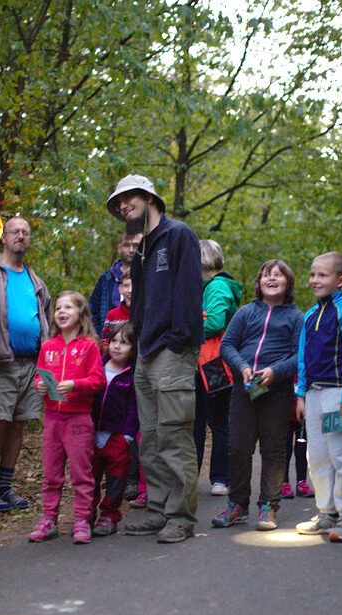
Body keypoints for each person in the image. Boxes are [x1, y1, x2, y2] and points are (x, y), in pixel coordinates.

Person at [106, 175, 203, 544]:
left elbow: (189, 292)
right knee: (150, 438)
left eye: (128, 198)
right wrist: (138, 341)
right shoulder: (143, 247)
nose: (122, 206)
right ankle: (160, 510)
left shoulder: (178, 235)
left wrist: (177, 342)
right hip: (146, 352)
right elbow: (143, 302)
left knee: (175, 434)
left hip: (173, 350)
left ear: (149, 197)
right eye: (118, 203)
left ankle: (181, 516)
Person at [212, 260, 302, 531]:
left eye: (278, 275)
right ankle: (237, 505)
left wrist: (276, 371)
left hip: (277, 391)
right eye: (266, 275)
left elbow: (300, 355)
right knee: (238, 447)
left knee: (273, 449)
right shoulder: (246, 312)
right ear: (259, 283)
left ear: (288, 284)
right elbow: (227, 344)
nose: (271, 278)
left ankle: (269, 506)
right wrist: (241, 367)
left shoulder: (296, 317)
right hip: (243, 390)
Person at [0, 217, 51, 513]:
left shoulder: (35, 280)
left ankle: (6, 486)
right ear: (3, 238)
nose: (21, 236)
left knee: (19, 422)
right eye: (15, 232)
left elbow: (45, 315)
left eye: (25, 232)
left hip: (31, 363)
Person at [294, 252, 342, 542]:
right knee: (318, 456)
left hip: (338, 394)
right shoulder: (309, 316)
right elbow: (302, 357)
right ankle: (327, 512)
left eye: (322, 275)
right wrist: (300, 393)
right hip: (313, 393)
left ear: (340, 281)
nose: (314, 280)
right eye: (312, 274)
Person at [29, 291, 105, 544]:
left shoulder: (89, 346)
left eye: (68, 308)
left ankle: (83, 519)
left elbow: (98, 379)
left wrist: (75, 384)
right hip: (52, 419)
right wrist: (40, 385)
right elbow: (40, 375)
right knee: (51, 474)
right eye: (58, 308)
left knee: (81, 474)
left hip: (78, 419)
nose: (61, 312)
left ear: (81, 313)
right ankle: (49, 519)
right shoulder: (48, 346)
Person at [194, 239, 242, 496]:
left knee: (218, 423)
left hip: (215, 365)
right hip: (202, 364)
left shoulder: (218, 286)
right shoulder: (206, 287)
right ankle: (195, 477)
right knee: (197, 422)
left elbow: (214, 323)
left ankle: (221, 478)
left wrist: (183, 330)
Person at [89, 322, 139, 536]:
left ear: (133, 349)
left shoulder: (131, 375)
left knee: (116, 478)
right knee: (89, 477)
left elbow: (134, 409)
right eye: (115, 341)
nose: (117, 346)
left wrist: (128, 436)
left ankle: (109, 515)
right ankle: (86, 514)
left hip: (117, 437)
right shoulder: (96, 367)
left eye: (125, 343)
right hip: (90, 434)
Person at [90, 231, 142, 335]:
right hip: (110, 343)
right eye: (126, 245)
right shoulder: (106, 279)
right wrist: (99, 337)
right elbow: (92, 312)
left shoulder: (149, 276)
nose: (131, 250)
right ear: (119, 248)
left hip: (141, 341)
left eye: (136, 246)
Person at [100, 274, 132, 345]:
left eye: (135, 285)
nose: (130, 290)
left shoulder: (146, 315)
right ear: (120, 289)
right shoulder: (112, 315)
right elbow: (105, 343)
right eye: (126, 286)